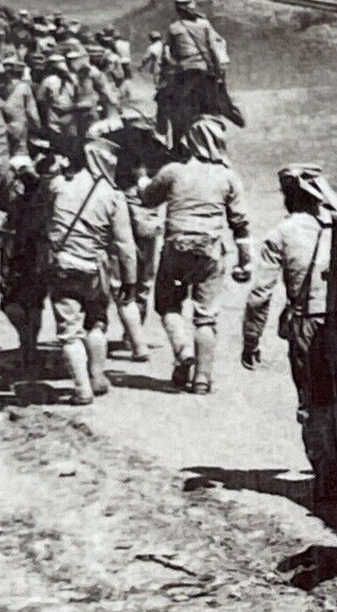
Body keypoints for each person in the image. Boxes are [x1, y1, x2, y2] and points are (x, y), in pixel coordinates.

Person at [242, 165, 337, 504]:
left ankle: (326, 476)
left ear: (287, 195)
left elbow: (260, 295)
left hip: (308, 322)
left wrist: (251, 339)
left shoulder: (279, 234)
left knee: (313, 400)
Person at [138, 116, 252, 395]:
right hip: (210, 250)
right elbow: (241, 224)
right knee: (206, 318)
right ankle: (202, 378)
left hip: (176, 247)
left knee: (168, 305)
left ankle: (182, 349)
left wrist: (142, 179)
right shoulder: (228, 177)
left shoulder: (173, 171)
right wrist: (245, 261)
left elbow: (148, 198)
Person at [46, 139, 138, 405]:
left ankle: (82, 388)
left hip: (63, 265)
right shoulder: (112, 195)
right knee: (96, 323)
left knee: (69, 331)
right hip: (96, 270)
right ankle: (98, 377)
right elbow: (125, 244)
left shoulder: (58, 185)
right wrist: (130, 280)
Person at [88, 107, 172, 343]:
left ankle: (111, 324)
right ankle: (133, 330)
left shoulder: (111, 142)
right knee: (145, 273)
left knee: (117, 271)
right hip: (147, 211)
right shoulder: (158, 147)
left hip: (117, 207)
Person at [0, 141, 58, 377]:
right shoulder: (42, 180)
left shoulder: (50, 182)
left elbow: (5, 202)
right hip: (28, 246)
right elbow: (2, 202)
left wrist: (19, 176)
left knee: (18, 298)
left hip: (26, 247)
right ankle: (28, 345)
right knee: (30, 300)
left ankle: (28, 346)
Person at [158, 0, 234, 144]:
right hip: (205, 72)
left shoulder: (173, 28)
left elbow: (169, 55)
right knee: (218, 97)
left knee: (164, 99)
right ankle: (227, 111)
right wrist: (219, 73)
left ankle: (163, 129)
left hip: (184, 73)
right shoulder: (205, 24)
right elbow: (214, 48)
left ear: (177, 9)